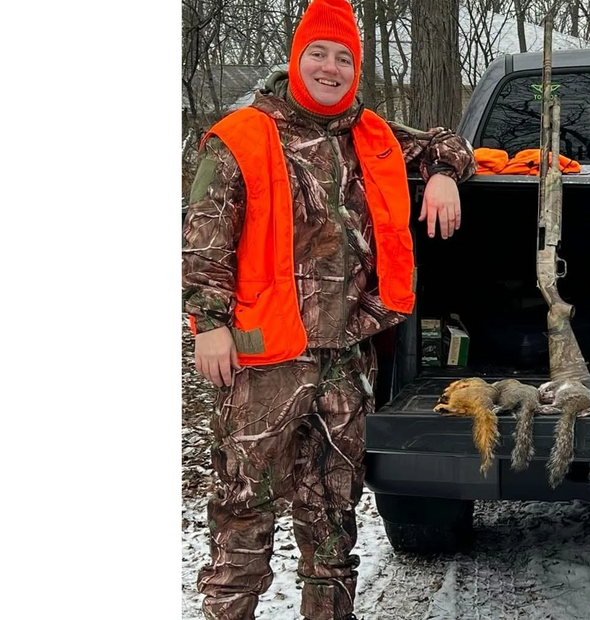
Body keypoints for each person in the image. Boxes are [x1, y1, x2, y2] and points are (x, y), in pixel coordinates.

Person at [178, 0, 476, 618]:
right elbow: (204, 240)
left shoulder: (371, 133)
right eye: (318, 53)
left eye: (344, 58)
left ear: (356, 69)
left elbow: (448, 142)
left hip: (347, 356)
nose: (330, 68)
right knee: (244, 509)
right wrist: (208, 325)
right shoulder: (241, 136)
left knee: (334, 514)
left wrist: (444, 173)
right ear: (296, 58)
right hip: (265, 358)